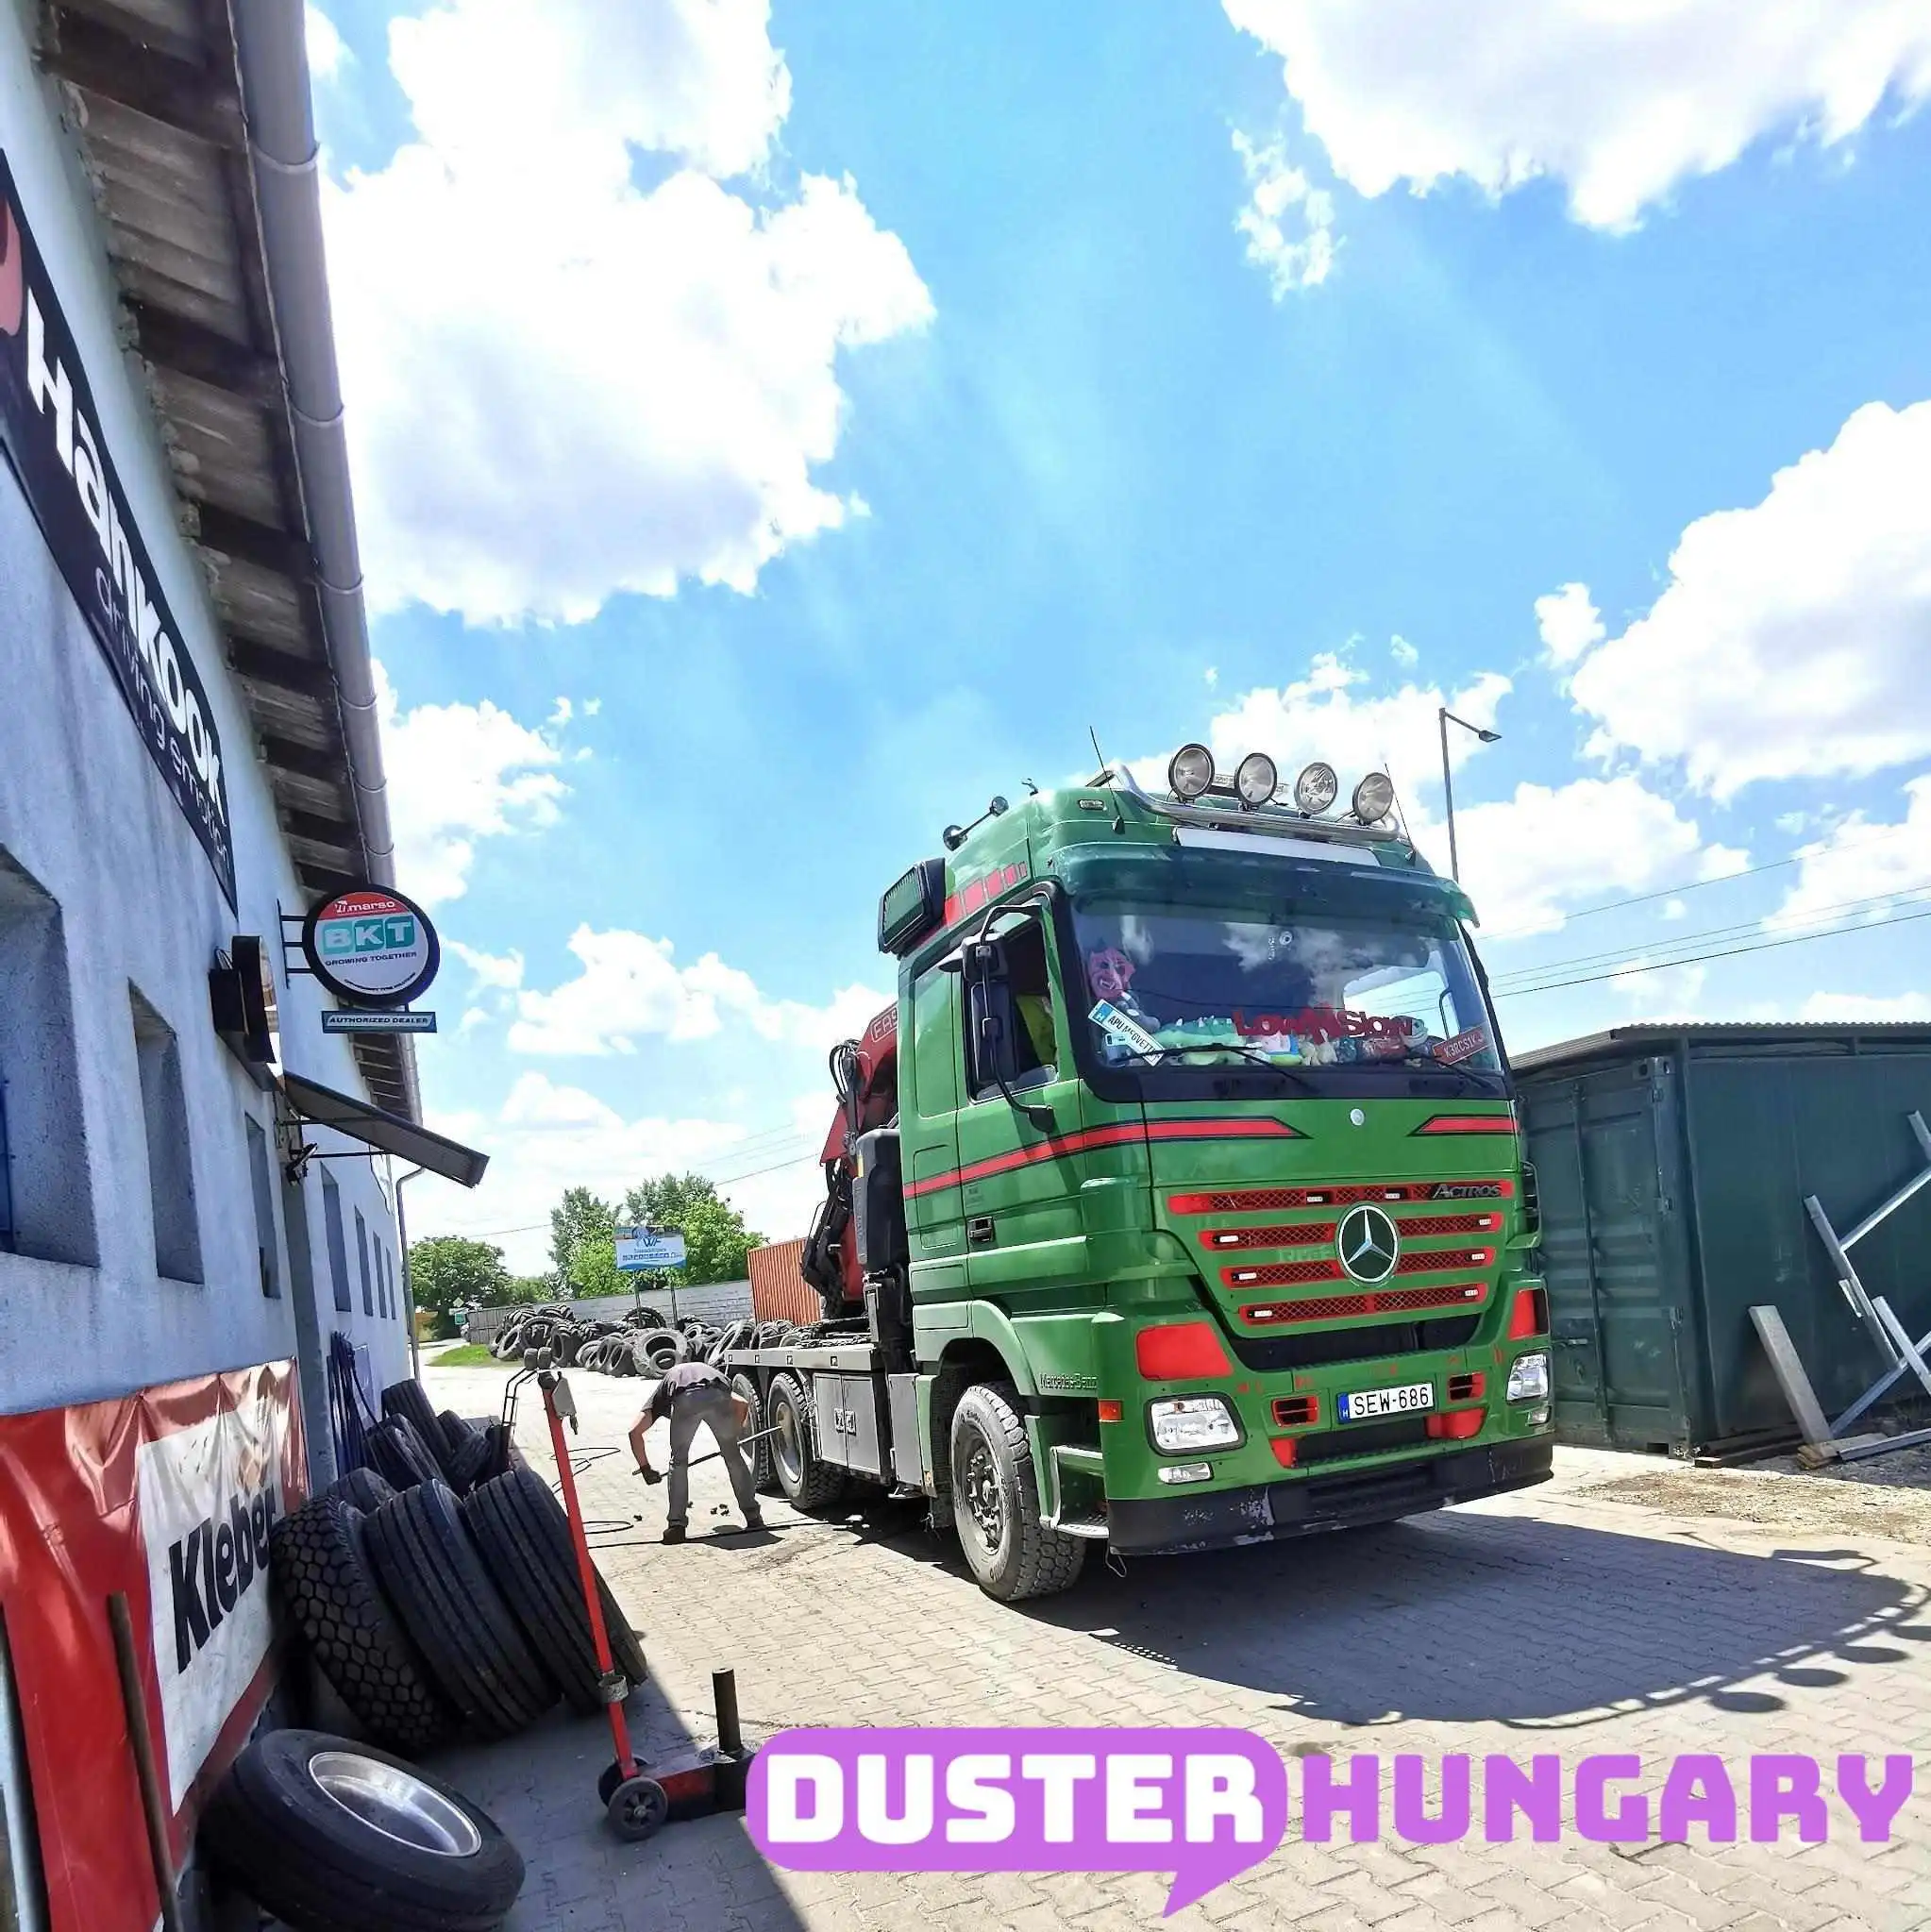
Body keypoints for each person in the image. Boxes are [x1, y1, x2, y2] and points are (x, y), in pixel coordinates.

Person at [628, 1359, 763, 1544]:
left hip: (686, 1396)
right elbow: (742, 1403)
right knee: (733, 1457)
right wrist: (732, 1437)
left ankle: (676, 1526)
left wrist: (645, 1468)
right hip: (718, 1392)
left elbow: (634, 1432)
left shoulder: (664, 1389)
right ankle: (753, 1517)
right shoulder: (709, 1374)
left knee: (678, 1462)